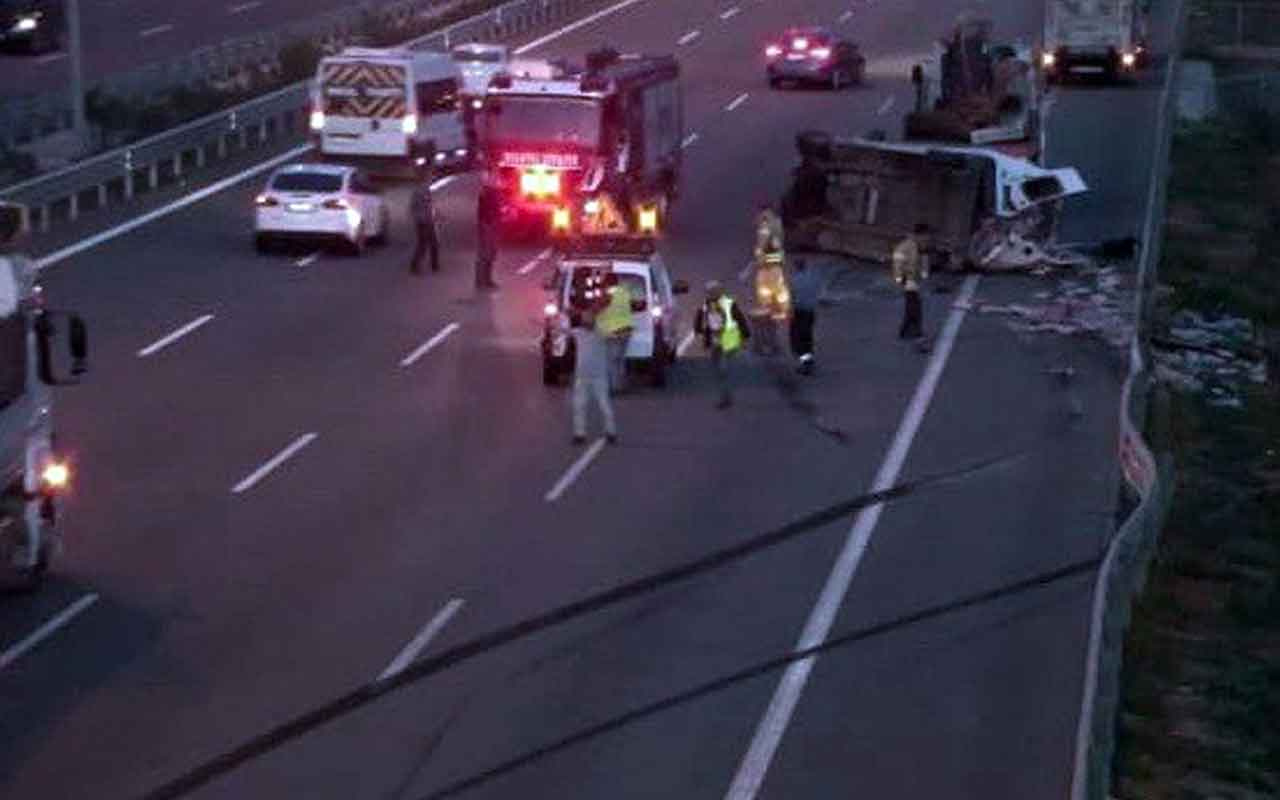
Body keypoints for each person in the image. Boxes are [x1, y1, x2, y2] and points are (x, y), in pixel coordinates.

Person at [695, 280, 751, 409]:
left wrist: (745, 336)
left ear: (719, 292)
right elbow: (698, 318)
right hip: (715, 341)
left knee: (724, 369)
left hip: (728, 339)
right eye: (709, 292)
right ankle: (725, 394)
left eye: (712, 292)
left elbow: (740, 318)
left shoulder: (728, 303)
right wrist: (699, 331)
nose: (710, 294)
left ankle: (726, 397)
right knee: (718, 370)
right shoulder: (706, 304)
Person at [571, 309, 618, 445]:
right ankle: (579, 434)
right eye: (584, 319)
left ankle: (611, 431)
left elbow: (613, 336)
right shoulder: (578, 332)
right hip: (582, 376)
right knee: (579, 406)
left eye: (589, 319)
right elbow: (563, 331)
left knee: (604, 404)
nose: (586, 321)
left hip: (599, 376)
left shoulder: (600, 333)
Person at [595, 272, 634, 393]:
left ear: (607, 282)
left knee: (610, 360)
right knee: (620, 359)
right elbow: (632, 305)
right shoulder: (624, 293)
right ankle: (621, 385)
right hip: (626, 330)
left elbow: (597, 308)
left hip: (612, 331)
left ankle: (613, 387)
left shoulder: (607, 295)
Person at [892, 223, 931, 339]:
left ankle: (908, 331)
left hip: (914, 279)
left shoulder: (920, 246)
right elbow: (898, 261)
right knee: (913, 306)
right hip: (908, 279)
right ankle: (913, 331)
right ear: (919, 235)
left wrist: (924, 275)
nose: (927, 238)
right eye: (925, 235)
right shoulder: (906, 246)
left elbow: (924, 262)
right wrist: (899, 277)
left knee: (913, 305)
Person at [789, 257, 823, 374]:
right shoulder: (812, 278)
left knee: (798, 339)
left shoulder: (796, 280)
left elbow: (793, 297)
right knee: (807, 337)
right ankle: (808, 361)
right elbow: (818, 292)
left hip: (800, 312)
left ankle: (805, 364)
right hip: (810, 312)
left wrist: (790, 311)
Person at [409, 165, 440, 275]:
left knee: (428, 243)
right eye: (431, 175)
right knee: (426, 243)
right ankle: (416, 265)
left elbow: (413, 206)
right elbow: (428, 206)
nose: (433, 177)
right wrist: (433, 217)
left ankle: (433, 265)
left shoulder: (420, 189)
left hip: (422, 219)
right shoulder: (424, 189)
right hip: (425, 220)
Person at [474, 181, 500, 290]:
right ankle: (482, 280)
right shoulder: (486, 197)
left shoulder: (487, 197)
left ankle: (485, 279)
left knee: (490, 254)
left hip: (489, 226)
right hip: (487, 226)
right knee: (486, 254)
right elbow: (484, 214)